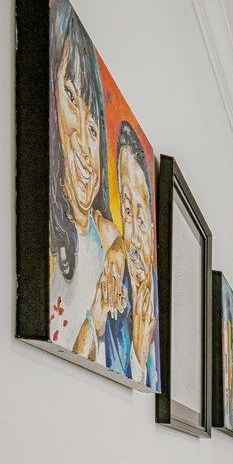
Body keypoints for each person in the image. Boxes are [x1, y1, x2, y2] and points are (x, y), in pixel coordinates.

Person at [48, 0, 115, 356]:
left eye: (94, 128)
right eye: (71, 96)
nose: (87, 148)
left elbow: (115, 239)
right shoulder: (54, 235)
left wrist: (117, 254)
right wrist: (95, 317)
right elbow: (75, 356)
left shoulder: (92, 229)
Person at [94, 122, 159, 389]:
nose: (131, 232)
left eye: (141, 217)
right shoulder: (115, 286)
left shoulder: (161, 298)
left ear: (154, 230)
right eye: (127, 211)